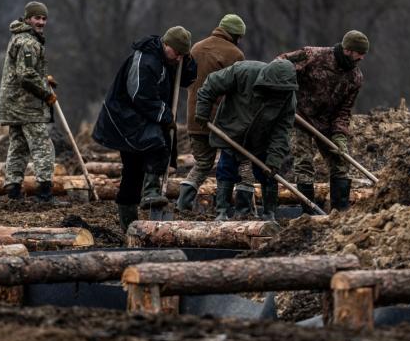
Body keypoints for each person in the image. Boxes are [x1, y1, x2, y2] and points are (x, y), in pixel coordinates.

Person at [92, 26, 197, 231]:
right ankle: (132, 219)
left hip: (145, 119)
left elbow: (185, 79)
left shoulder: (170, 59)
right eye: (177, 53)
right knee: (137, 166)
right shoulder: (145, 60)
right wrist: (164, 115)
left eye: (181, 55)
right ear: (166, 45)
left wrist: (188, 61)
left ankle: (151, 194)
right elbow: (140, 95)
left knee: (155, 151)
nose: (178, 58)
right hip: (126, 119)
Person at [195, 59, 298, 221]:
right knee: (226, 168)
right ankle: (222, 211)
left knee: (269, 172)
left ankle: (269, 213)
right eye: (274, 89)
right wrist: (203, 111)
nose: (277, 93)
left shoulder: (288, 96)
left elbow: (282, 130)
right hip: (232, 130)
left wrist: (274, 158)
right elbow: (211, 84)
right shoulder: (243, 71)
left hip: (262, 137)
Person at [277, 30, 369, 211]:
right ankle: (307, 212)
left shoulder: (355, 78)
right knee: (304, 162)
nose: (362, 58)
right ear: (348, 50)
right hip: (300, 115)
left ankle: (339, 211)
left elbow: (344, 110)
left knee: (340, 162)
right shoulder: (313, 56)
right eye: (360, 53)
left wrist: (340, 134)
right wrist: (284, 94)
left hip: (326, 123)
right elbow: (280, 63)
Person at [176, 14, 246, 212]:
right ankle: (229, 206)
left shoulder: (196, 47)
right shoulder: (235, 54)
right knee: (231, 161)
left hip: (194, 117)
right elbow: (237, 91)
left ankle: (183, 202)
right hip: (221, 121)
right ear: (235, 35)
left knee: (203, 163)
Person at [0, 1, 59, 203]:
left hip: (12, 104)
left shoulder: (19, 37)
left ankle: (13, 191)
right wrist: (46, 93)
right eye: (37, 18)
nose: (41, 22)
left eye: (43, 18)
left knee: (18, 146)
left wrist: (44, 79)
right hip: (26, 105)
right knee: (42, 146)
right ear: (27, 18)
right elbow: (26, 75)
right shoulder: (29, 43)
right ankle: (44, 192)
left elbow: (25, 70)